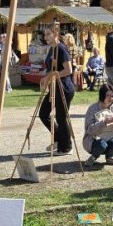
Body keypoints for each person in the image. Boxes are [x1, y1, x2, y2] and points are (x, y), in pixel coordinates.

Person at [39, 25, 74, 154]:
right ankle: (59, 139)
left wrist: (51, 75)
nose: (45, 36)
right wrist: (45, 77)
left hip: (63, 87)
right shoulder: (52, 49)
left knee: (61, 117)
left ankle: (65, 147)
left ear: (55, 34)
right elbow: (50, 69)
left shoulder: (61, 49)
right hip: (53, 87)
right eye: (45, 34)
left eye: (48, 34)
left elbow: (68, 70)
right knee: (43, 113)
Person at [82, 83, 113, 167]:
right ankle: (93, 157)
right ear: (102, 95)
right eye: (108, 95)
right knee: (102, 145)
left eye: (112, 96)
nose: (111, 98)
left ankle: (110, 157)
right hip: (94, 140)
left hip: (110, 136)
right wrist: (104, 123)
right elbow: (89, 130)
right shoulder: (92, 109)